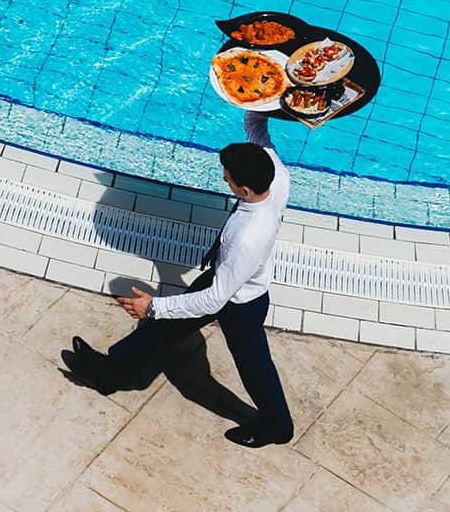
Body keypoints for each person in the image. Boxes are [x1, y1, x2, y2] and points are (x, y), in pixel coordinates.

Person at [63, 111, 294, 447]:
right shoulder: (277, 176)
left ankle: (277, 426)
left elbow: (216, 298)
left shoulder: (247, 238)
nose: (225, 181)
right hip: (227, 279)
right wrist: (259, 108)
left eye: (227, 179)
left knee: (254, 366)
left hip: (238, 303)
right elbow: (258, 132)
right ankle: (108, 372)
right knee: (162, 330)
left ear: (244, 189)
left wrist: (153, 305)